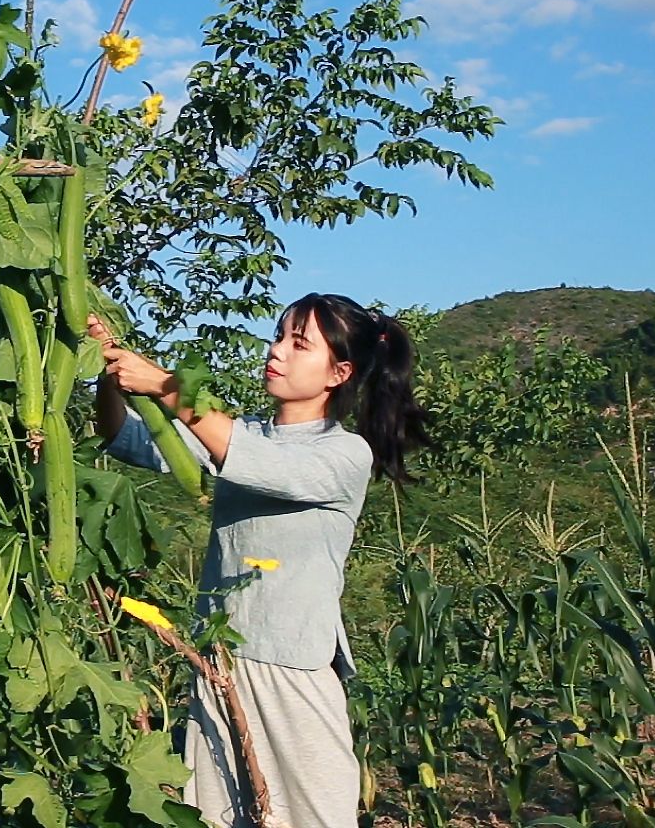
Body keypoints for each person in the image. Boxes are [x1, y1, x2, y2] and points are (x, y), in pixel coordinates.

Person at [87, 293, 429, 828]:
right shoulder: (240, 430)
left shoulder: (343, 453)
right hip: (220, 660)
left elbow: (258, 463)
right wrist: (109, 370)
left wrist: (167, 386)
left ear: (339, 373)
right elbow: (123, 436)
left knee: (316, 816)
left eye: (300, 344)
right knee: (219, 816)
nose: (278, 352)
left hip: (291, 669)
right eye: (279, 337)